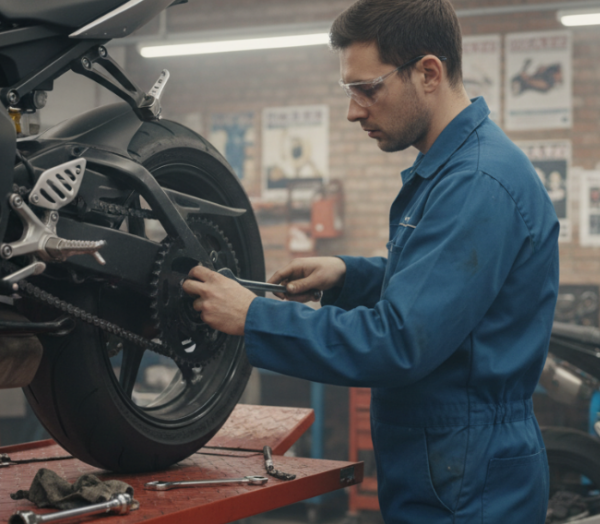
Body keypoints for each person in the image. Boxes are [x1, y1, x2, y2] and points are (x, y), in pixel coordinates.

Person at [181, 0, 559, 521]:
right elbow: (444, 293)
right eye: (349, 91)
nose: (354, 110)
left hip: (470, 480)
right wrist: (350, 275)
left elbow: (399, 342)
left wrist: (254, 317)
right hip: (450, 462)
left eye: (368, 88)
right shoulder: (453, 170)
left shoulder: (476, 182)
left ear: (429, 72)